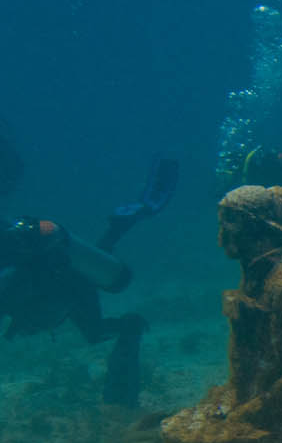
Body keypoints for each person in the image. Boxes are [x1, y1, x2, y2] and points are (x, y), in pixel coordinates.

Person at [0, 156, 177, 406]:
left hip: (67, 287)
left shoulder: (12, 266)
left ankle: (123, 224)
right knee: (92, 314)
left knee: (94, 328)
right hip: (57, 283)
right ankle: (120, 224)